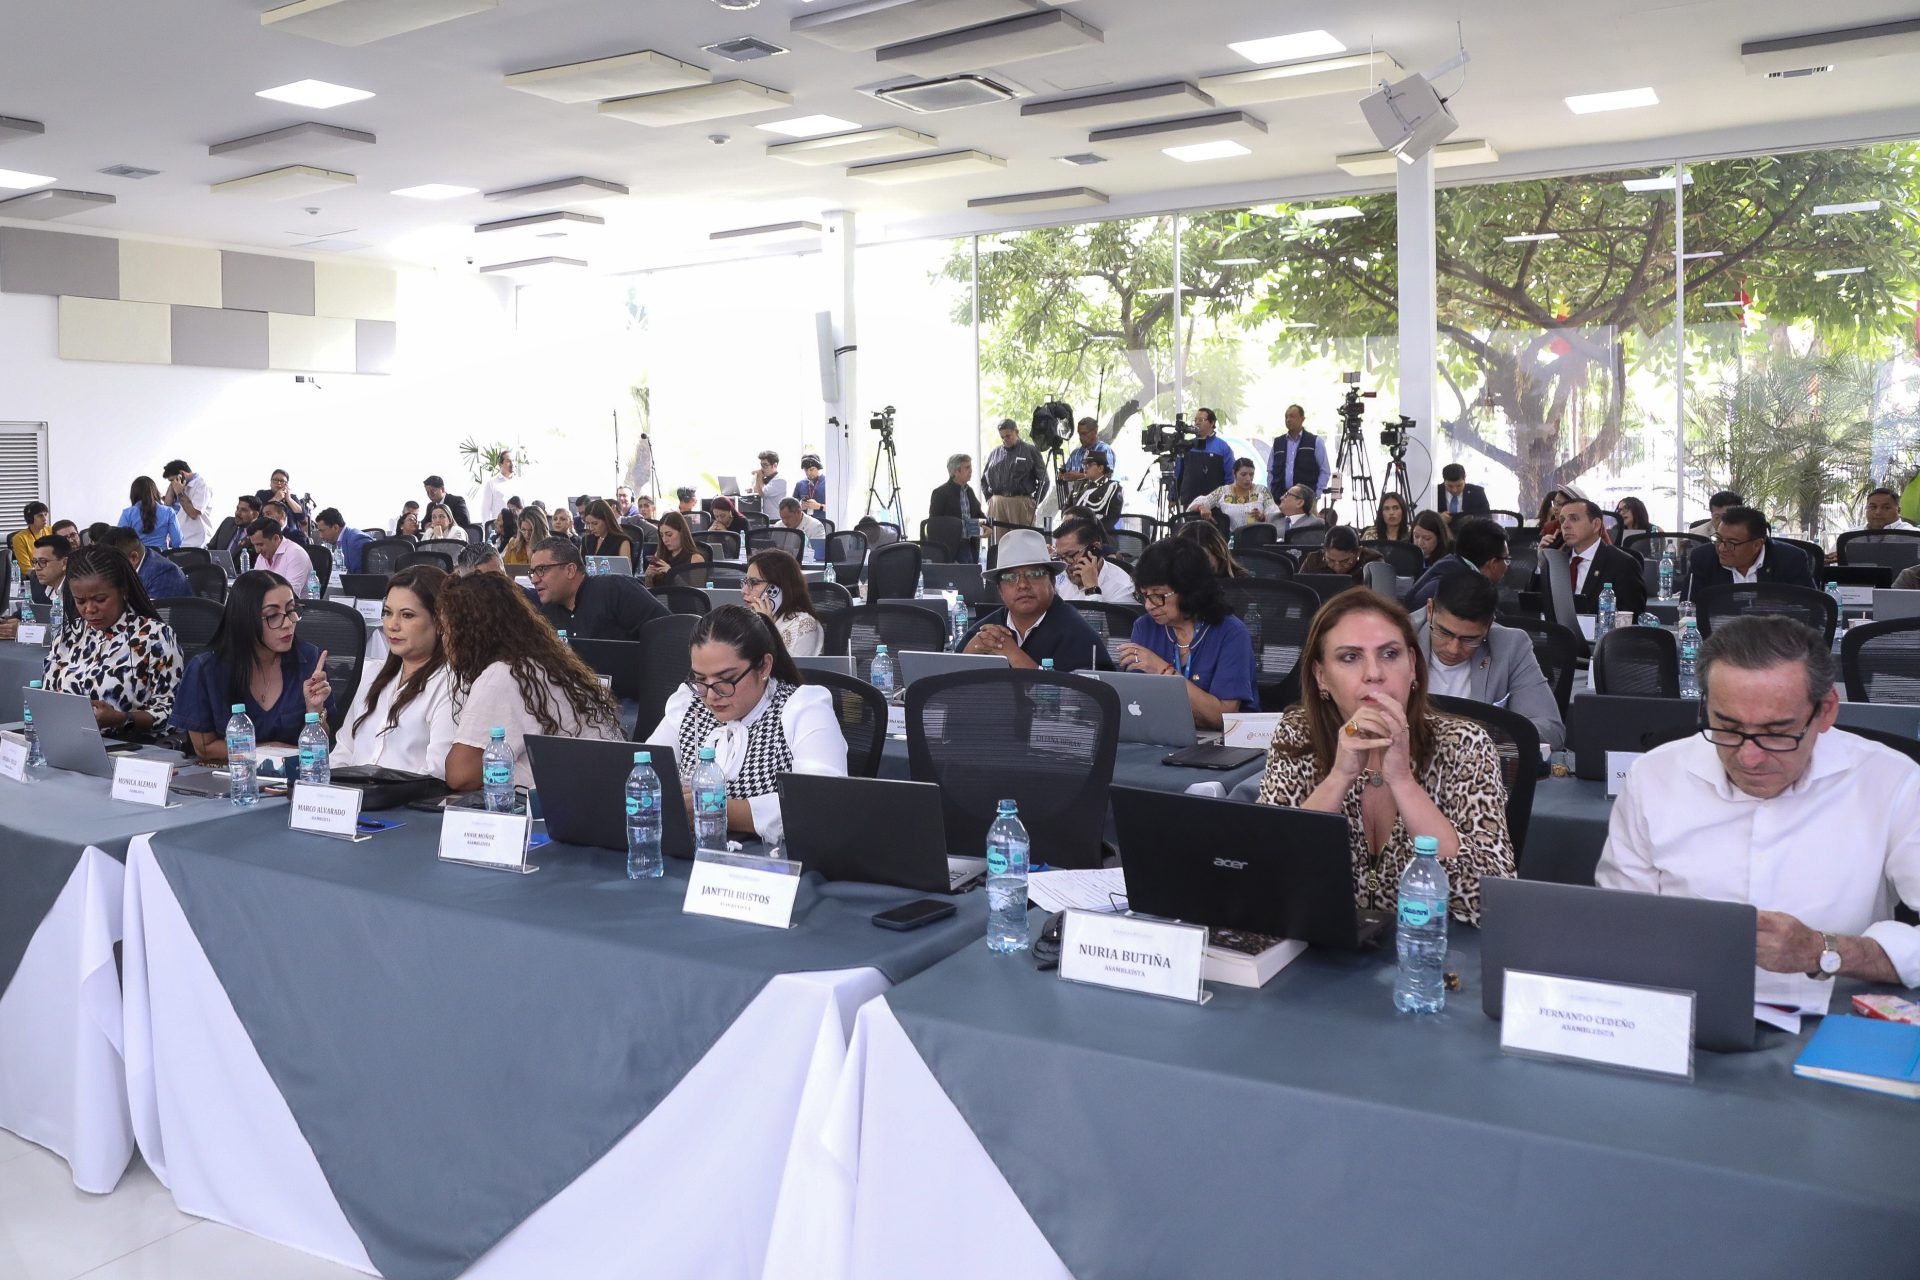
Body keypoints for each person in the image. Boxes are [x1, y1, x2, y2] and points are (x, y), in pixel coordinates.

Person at [1598, 615, 1920, 1015]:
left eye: (1777, 732)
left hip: (1834, 1016)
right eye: (1728, 727)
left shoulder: (1892, 782)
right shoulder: (1654, 776)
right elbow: (1620, 926)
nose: (1749, 757)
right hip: (1680, 1012)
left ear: (1825, 711)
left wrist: (1826, 952)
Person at [1255, 589, 1516, 924]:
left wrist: (1403, 782)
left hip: (1431, 946)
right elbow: (1269, 876)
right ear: (1322, 677)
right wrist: (1339, 778)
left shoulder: (1465, 745)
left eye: (1390, 654)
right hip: (1327, 946)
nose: (1374, 673)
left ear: (1413, 667)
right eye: (1350, 657)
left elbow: (1490, 899)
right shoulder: (1298, 734)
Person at [644, 606, 847, 843]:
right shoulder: (689, 705)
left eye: (727, 679)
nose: (712, 695)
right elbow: (644, 773)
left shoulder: (803, 708)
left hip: (775, 859)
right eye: (700, 679)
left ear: (764, 666)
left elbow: (821, 802)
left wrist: (715, 807)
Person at [438, 572, 622, 791]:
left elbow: (461, 775)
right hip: (602, 787)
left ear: (469, 634)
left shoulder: (503, 675)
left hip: (575, 798)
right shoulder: (543, 662)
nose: (444, 639)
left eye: (446, 629)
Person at [175, 570, 333, 756]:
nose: (288, 624)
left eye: (291, 610)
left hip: (296, 771)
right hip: (228, 771)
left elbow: (321, 745)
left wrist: (315, 710)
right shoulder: (206, 669)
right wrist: (269, 751)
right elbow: (204, 749)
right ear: (245, 619)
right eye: (272, 615)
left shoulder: (309, 660)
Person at [39, 545, 184, 732]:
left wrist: (122, 719)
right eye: (80, 601)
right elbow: (47, 696)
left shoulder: (155, 637)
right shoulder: (70, 634)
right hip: (69, 739)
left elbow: (171, 714)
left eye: (100, 599)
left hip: (129, 743)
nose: (89, 609)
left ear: (123, 591)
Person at [329, 566, 458, 776]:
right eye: (388, 613)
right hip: (353, 793)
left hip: (408, 796)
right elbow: (343, 752)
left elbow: (437, 773)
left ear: (440, 622)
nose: (392, 625)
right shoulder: (372, 673)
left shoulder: (450, 683)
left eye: (407, 615)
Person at [1117, 538, 1258, 729]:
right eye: (1143, 595)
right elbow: (1137, 705)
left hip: (1223, 740)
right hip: (1162, 734)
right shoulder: (1144, 627)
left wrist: (1161, 669)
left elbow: (1223, 718)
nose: (1149, 606)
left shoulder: (1231, 633)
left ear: (1188, 590)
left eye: (1158, 595)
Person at [1417, 571, 1565, 750]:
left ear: (1488, 626)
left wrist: (1481, 739)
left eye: (1469, 639)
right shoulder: (1399, 638)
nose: (1453, 649)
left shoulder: (1511, 646)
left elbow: (1551, 729)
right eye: (1444, 633)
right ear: (1430, 610)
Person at [959, 528, 1112, 672]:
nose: (1023, 585)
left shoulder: (1076, 632)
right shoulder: (987, 630)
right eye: (1010, 577)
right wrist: (971, 651)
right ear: (1000, 590)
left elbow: (1081, 690)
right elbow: (951, 683)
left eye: (1034, 574)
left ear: (1052, 582)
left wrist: (1012, 653)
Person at [528, 538, 666, 641]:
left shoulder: (616, 590)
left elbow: (669, 631)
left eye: (542, 569)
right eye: (533, 572)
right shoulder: (546, 614)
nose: (534, 580)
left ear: (570, 570)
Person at [1544, 498, 1647, 614]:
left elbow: (1632, 616)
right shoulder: (1556, 561)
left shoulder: (1623, 563)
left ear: (1596, 525)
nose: (1565, 526)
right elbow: (1537, 604)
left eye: (1574, 519)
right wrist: (1541, 561)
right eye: (1562, 520)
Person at [1686, 506, 1817, 595]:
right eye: (1718, 539)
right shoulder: (1702, 558)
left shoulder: (1791, 559)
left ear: (1757, 544)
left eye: (1731, 543)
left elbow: (1812, 608)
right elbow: (1688, 608)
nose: (1721, 548)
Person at [1406, 517, 1508, 612]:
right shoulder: (1466, 592)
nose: (1507, 566)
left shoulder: (1450, 565)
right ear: (1493, 563)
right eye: (1506, 559)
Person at [744, 549, 822, 657]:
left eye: (753, 582)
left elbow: (786, 667)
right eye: (745, 582)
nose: (744, 590)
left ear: (777, 589)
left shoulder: (804, 625)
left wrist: (767, 628)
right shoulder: (750, 620)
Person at [981, 419, 1046, 542]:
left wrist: (1034, 502)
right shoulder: (995, 453)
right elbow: (984, 480)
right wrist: (989, 499)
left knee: (1022, 542)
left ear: (1016, 432)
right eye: (1002, 437)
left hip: (1021, 502)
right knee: (998, 543)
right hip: (997, 503)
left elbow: (1044, 480)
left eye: (1008, 436)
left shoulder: (1030, 450)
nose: (1005, 440)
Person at [1053, 516, 1138, 604]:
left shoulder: (1123, 589)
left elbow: (1091, 614)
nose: (1066, 564)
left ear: (1095, 548)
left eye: (1071, 555)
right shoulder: (1058, 576)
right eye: (1061, 557)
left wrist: (1092, 589)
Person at [98, 526, 191, 602]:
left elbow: (150, 616)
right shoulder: (142, 559)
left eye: (112, 564)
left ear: (133, 558)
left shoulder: (162, 575)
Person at [1189, 458, 1280, 531]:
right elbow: (1194, 505)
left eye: (1251, 474)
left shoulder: (1262, 491)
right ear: (1234, 473)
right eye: (1243, 474)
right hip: (1232, 541)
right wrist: (1201, 507)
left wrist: (1262, 517)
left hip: (1257, 540)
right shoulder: (1222, 492)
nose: (1248, 478)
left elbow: (1275, 516)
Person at [1173, 407, 1236, 506]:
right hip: (1190, 502)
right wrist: (1172, 497)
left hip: (1215, 503)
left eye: (1201, 420)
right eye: (1195, 420)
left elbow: (1230, 476)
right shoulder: (1187, 446)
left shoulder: (1223, 447)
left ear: (1212, 423)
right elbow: (1177, 473)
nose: (1197, 423)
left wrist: (1228, 499)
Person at [929, 453, 985, 562]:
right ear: (956, 472)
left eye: (971, 467)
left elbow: (978, 514)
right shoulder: (940, 493)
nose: (971, 470)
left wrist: (986, 527)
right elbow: (933, 526)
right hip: (952, 548)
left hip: (971, 544)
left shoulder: (969, 491)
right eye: (967, 467)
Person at [1267, 404, 1330, 501]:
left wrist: (1317, 494)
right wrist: (1271, 492)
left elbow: (1325, 470)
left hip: (1305, 499)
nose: (1288, 420)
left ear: (1302, 419)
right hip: (1280, 498)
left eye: (1292, 416)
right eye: (1286, 417)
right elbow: (1270, 471)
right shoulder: (1278, 443)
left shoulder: (1315, 442)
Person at [247, 517, 317, 597]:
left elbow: (289, 595)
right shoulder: (263, 555)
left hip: (294, 604)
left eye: (260, 544)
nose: (257, 550)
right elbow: (255, 587)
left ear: (276, 539)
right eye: (255, 545)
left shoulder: (296, 554)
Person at [118, 476, 182, 550]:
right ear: (155, 491)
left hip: (137, 556)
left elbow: (120, 541)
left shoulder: (127, 513)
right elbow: (177, 542)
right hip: (161, 556)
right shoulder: (168, 512)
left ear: (133, 494)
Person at [160, 460, 214, 548]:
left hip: (196, 542)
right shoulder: (180, 486)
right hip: (181, 541)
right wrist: (172, 486)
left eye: (172, 480)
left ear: (182, 474)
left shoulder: (202, 485)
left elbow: (193, 513)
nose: (173, 483)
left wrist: (180, 493)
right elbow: (167, 506)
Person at [1299, 526, 1383, 582]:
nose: (1338, 567)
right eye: (1331, 560)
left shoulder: (1373, 563)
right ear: (1324, 550)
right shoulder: (1313, 560)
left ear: (1358, 552)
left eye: (1345, 561)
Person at [645, 512, 706, 588]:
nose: (665, 540)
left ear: (681, 533)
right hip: (660, 596)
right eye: (662, 535)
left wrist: (672, 573)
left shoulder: (696, 559)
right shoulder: (659, 554)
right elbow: (650, 591)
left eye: (669, 534)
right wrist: (648, 577)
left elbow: (697, 593)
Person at [1059, 417, 1117, 493]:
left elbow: (1107, 475)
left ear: (1095, 431)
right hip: (1077, 497)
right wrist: (1062, 475)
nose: (1081, 437)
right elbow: (1065, 472)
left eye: (1084, 433)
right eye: (1079, 434)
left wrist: (1080, 476)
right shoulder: (1075, 453)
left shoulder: (1104, 450)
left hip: (1098, 497)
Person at [1173, 519, 1247, 578]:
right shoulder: (1172, 585)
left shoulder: (1242, 584)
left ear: (1219, 555)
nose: (1199, 564)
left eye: (1204, 557)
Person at [312, 508, 372, 575]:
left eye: (322, 531)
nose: (320, 536)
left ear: (335, 527)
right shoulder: (344, 539)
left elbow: (359, 577)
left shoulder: (356, 541)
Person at [1848, 487, 1917, 541]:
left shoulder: (1914, 536)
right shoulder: (1850, 537)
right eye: (1873, 507)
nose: (1878, 512)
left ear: (1898, 511)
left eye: (1886, 508)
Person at [579, 499, 634, 565]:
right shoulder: (587, 540)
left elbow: (626, 570)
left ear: (607, 520)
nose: (591, 528)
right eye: (588, 523)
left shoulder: (622, 541)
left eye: (595, 523)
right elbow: (581, 566)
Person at [1073, 452, 1124, 524]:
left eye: (1089, 465)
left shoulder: (1113, 488)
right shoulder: (1078, 485)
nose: (1085, 468)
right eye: (1084, 465)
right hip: (1072, 527)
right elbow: (1066, 508)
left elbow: (1112, 518)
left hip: (1097, 529)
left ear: (1100, 468)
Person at [255, 469, 309, 534]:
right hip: (266, 533)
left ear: (287, 485)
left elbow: (302, 517)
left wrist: (289, 499)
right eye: (275, 480)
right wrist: (275, 498)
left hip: (290, 535)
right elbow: (257, 514)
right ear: (270, 483)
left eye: (282, 481)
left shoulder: (293, 497)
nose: (279, 483)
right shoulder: (261, 494)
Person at [479, 450, 516, 524]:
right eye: (508, 461)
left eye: (513, 461)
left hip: (518, 527)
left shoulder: (519, 482)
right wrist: (487, 528)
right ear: (500, 464)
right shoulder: (491, 483)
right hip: (500, 527)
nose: (512, 464)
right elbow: (485, 510)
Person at [11, 501, 49, 573]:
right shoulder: (19, 538)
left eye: (45, 514)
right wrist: (46, 574)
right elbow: (26, 569)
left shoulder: (52, 531)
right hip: (36, 576)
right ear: (30, 518)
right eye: (40, 516)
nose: (45, 519)